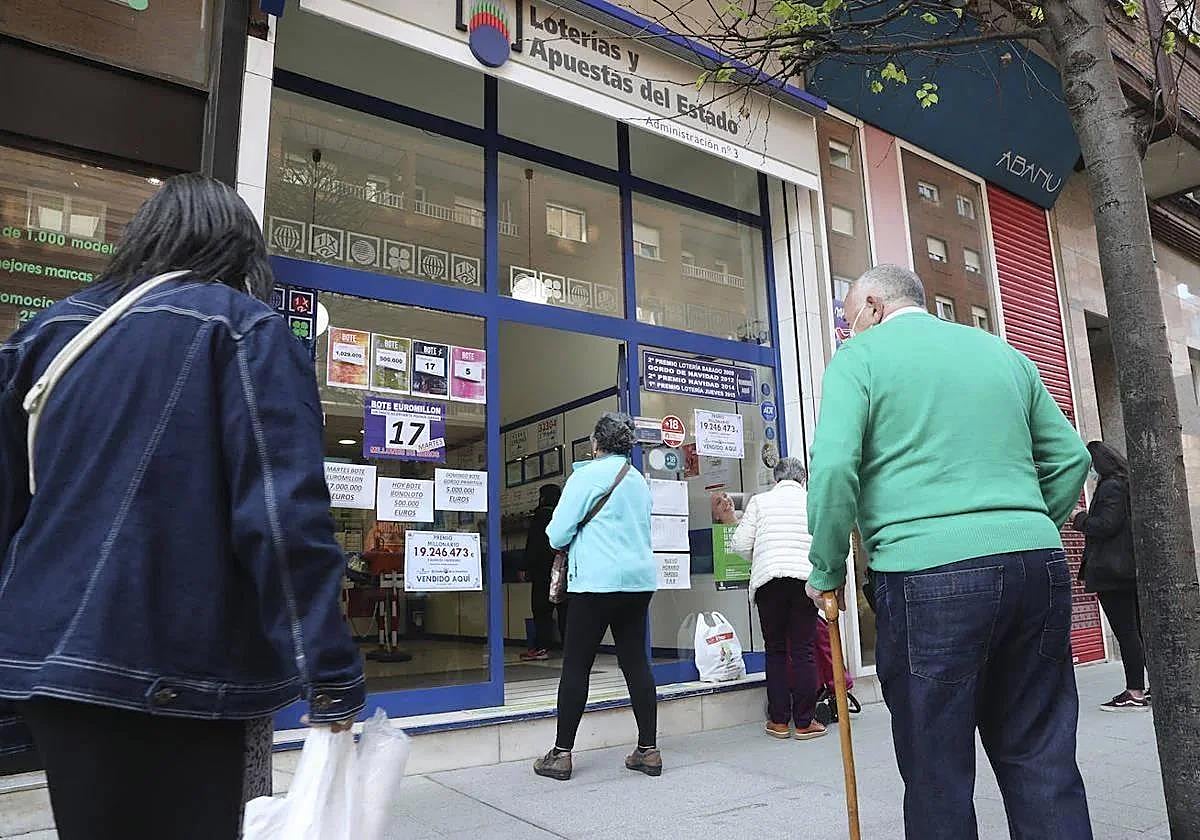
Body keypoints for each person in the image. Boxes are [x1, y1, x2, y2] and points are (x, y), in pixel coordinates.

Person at [0, 175, 364, 840]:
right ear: (241, 251)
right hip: (179, 670)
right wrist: (330, 673)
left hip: (45, 666)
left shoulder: (44, 336)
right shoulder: (245, 329)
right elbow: (284, 519)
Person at [806, 265, 1093, 840]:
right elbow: (1071, 460)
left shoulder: (859, 360)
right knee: (1041, 755)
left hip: (925, 573)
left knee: (937, 768)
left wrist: (826, 569)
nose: (847, 329)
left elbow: (835, 468)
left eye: (847, 317)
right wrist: (1026, 524)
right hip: (1036, 564)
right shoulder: (1003, 354)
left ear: (872, 304)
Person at [533, 412, 658, 781]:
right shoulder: (638, 481)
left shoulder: (585, 477)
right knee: (636, 662)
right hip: (637, 584)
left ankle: (561, 754)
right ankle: (648, 750)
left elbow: (556, 535)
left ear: (596, 443)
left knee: (576, 665)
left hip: (595, 585)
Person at [729, 457, 826, 740]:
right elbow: (825, 542)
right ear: (802, 479)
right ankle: (805, 722)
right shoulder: (812, 501)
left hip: (769, 581)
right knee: (804, 650)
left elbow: (739, 544)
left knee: (775, 650)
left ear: (776, 479)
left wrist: (761, 556)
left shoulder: (760, 502)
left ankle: (780, 721)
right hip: (804, 582)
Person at [1073, 441, 1147, 710]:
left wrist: (1078, 517)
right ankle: (1147, 688)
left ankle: (1135, 692)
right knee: (1137, 631)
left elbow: (1105, 525)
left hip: (1113, 573)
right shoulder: (1125, 483)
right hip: (1126, 570)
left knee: (1126, 632)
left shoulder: (1112, 486)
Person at [520, 483, 566, 661]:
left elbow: (533, 545)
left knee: (541, 610)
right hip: (563, 569)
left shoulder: (540, 516)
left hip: (542, 571)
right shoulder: (563, 514)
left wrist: (524, 567)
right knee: (565, 610)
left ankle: (542, 647)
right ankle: (569, 647)